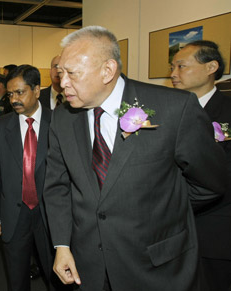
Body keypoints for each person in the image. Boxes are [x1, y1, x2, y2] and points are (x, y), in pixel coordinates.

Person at [43, 26, 226, 290]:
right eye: (61, 74)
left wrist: (162, 209)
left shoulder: (174, 108)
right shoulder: (63, 117)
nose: (63, 83)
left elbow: (211, 182)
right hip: (90, 266)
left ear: (107, 70)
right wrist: (61, 245)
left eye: (72, 74)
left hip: (156, 266)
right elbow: (57, 186)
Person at [0, 65, 60, 290]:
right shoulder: (0, 126)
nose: (14, 99)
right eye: (10, 94)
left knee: (56, 277)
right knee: (17, 280)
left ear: (37, 90)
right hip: (14, 214)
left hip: (49, 215)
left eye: (20, 92)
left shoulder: (58, 122)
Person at [171, 40, 231, 291]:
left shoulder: (227, 110)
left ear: (211, 67)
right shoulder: (167, 110)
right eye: (172, 67)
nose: (173, 74)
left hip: (217, 228)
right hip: (173, 229)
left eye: (181, 66)